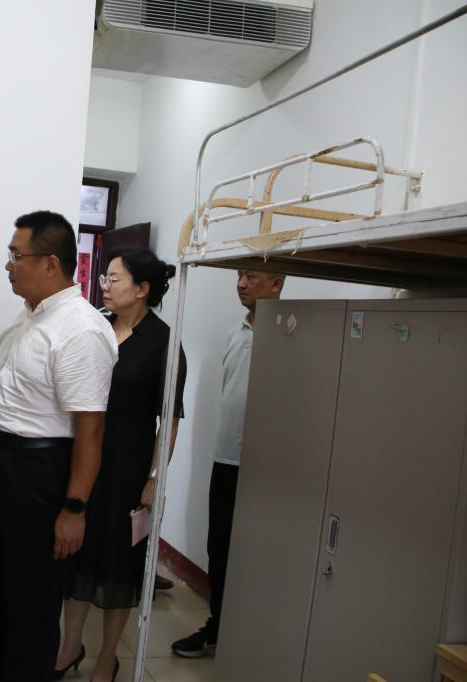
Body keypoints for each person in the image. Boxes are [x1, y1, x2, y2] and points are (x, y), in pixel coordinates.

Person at [0, 210, 118, 682]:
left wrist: (74, 507)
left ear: (50, 263)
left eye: (16, 255)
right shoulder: (31, 316)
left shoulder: (81, 328)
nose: (8, 264)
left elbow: (91, 429)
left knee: (31, 598)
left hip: (36, 473)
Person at [55, 249, 187, 682]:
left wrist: (153, 478)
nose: (105, 286)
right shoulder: (97, 326)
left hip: (128, 467)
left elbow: (169, 419)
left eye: (114, 278)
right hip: (83, 459)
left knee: (119, 566)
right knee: (76, 556)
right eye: (105, 278)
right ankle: (69, 648)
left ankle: (107, 659)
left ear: (143, 288)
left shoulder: (164, 342)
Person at [170, 269, 284, 658]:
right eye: (239, 275)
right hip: (227, 456)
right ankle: (219, 626)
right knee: (219, 548)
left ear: (277, 283)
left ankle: (254, 634)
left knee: (259, 552)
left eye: (251, 276)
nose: (241, 283)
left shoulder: (289, 336)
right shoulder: (237, 333)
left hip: (267, 467)